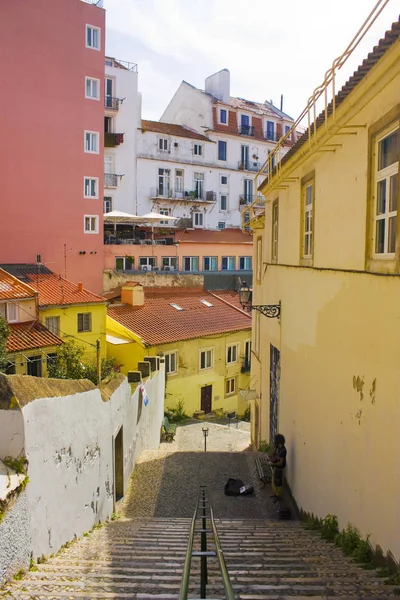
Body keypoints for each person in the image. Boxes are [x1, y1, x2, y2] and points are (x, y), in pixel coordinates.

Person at [269, 433, 287, 503]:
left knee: (278, 483)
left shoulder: (283, 450)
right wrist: (274, 449)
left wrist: (272, 464)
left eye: (275, 441)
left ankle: (279, 496)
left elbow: (281, 463)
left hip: (279, 469)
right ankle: (275, 494)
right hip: (275, 467)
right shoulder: (278, 448)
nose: (274, 442)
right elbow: (271, 455)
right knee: (274, 483)